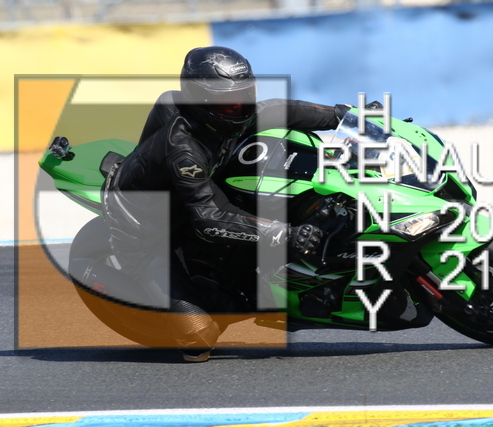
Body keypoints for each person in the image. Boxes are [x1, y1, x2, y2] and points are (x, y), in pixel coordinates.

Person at [101, 46, 350, 362]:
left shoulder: (223, 116)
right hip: (145, 229)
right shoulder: (182, 149)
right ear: (200, 100)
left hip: (191, 193)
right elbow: (208, 218)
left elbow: (278, 109)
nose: (241, 107)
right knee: (198, 339)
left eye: (246, 95)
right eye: (229, 102)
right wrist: (284, 233)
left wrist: (346, 116)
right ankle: (130, 288)